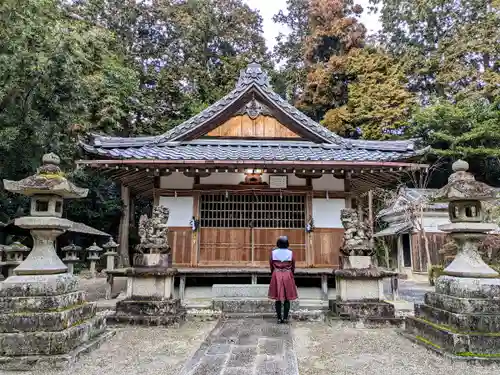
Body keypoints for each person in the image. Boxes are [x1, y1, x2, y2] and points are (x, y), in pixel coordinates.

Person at [268, 236, 298, 324]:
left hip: (276, 274)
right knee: (287, 298)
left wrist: (274, 272)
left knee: (277, 298)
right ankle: (285, 318)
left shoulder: (273, 253)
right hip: (287, 274)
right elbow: (293, 265)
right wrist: (290, 273)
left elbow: (271, 264)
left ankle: (278, 318)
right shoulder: (290, 253)